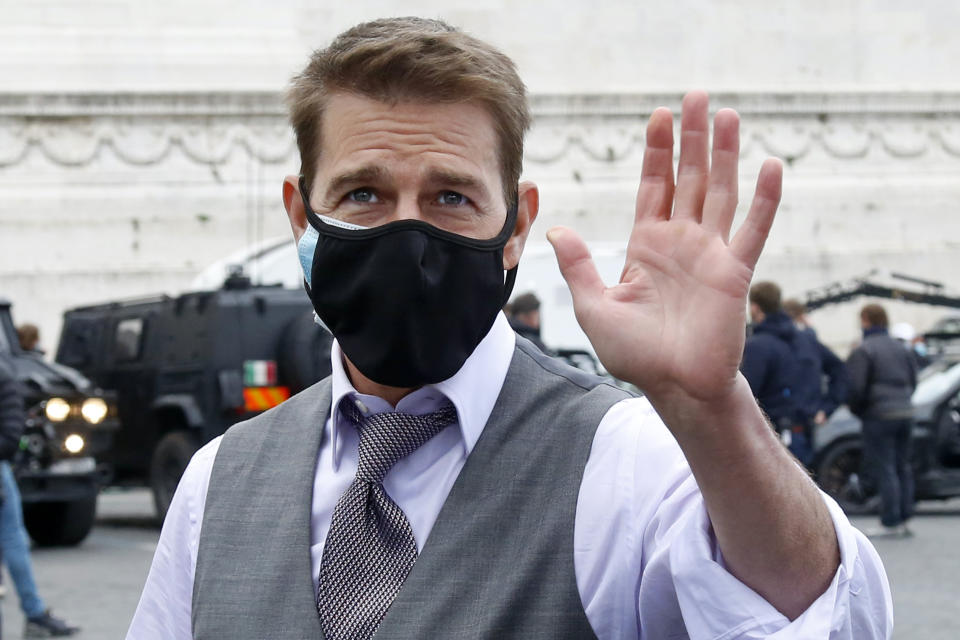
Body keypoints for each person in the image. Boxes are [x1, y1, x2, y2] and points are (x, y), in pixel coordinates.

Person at [128, 18, 891, 639]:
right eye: (363, 193)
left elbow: (825, 619)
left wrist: (711, 409)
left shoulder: (624, 457)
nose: (407, 232)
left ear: (517, 225)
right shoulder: (217, 480)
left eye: (451, 197)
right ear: (302, 216)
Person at [0, 353, 79, 637]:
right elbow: (10, 437)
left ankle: (34, 613)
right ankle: (34, 613)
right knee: (13, 539)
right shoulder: (5, 375)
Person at [847, 304, 918, 538]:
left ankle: (889, 521)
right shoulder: (902, 348)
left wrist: (860, 411)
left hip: (879, 415)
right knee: (902, 466)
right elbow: (913, 380)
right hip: (905, 412)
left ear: (866, 320)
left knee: (885, 467)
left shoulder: (864, 350)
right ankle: (905, 517)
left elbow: (856, 389)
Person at [741, 282, 811, 462]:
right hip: (801, 426)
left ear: (755, 308)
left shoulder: (757, 345)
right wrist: (823, 408)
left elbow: (746, 392)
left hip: (770, 432)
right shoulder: (802, 338)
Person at [783, 297, 848, 429]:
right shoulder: (809, 342)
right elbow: (840, 372)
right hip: (806, 421)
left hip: (784, 421)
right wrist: (827, 408)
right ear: (802, 317)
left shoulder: (771, 342)